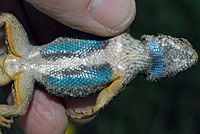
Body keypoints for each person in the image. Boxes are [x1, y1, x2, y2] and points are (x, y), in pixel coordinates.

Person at [0, 0, 136, 133]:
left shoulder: (126, 70)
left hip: (30, 70)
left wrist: (97, 106)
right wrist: (96, 107)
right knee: (8, 19)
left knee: (20, 109)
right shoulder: (121, 40)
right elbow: (108, 94)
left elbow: (108, 93)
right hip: (28, 54)